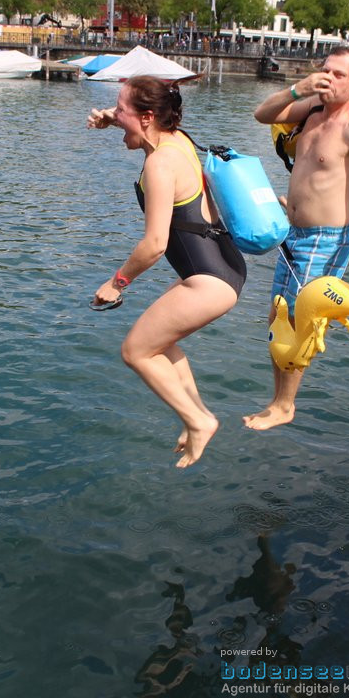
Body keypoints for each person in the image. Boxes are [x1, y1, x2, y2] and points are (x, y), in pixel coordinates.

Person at [243, 45, 349, 431]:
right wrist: (298, 90)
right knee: (278, 315)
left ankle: (286, 404)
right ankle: (277, 400)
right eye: (326, 70)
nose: (327, 78)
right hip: (292, 230)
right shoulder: (313, 109)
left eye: (338, 75)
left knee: (303, 321)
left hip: (325, 239)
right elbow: (262, 114)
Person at [86, 76, 247, 468]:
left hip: (207, 283)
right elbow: (143, 124)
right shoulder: (179, 140)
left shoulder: (160, 164)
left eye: (120, 107)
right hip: (225, 269)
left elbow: (155, 244)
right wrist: (114, 118)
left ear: (146, 117)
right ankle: (192, 416)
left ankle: (199, 420)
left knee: (136, 351)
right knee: (160, 343)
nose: (115, 113)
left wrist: (116, 282)